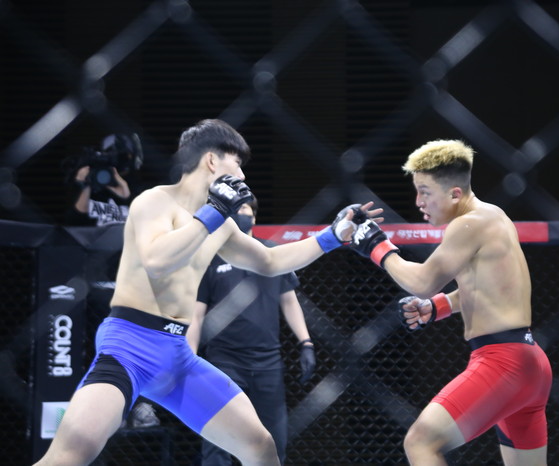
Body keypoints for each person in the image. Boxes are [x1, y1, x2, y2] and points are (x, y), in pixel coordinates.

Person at [34, 118, 381, 466]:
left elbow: (270, 261)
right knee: (70, 455)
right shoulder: (155, 201)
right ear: (212, 160)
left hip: (177, 355)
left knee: (260, 446)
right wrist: (213, 212)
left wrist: (331, 237)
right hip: (129, 347)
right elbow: (157, 261)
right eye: (237, 163)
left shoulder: (222, 225)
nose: (241, 175)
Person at [347, 139, 552, 465]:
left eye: (425, 192)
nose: (418, 202)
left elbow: (422, 282)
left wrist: (377, 247)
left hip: (503, 363)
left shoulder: (467, 224)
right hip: (529, 362)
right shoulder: (494, 215)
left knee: (420, 442)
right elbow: (489, 288)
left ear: (455, 194)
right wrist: (437, 307)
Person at [188, 195, 316, 465]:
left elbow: (289, 300)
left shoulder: (272, 253)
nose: (240, 214)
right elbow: (196, 314)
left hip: (268, 362)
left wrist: (306, 342)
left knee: (274, 438)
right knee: (217, 441)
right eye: (235, 209)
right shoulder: (212, 257)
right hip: (224, 361)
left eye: (244, 208)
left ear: (254, 217)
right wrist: (188, 357)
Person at [64, 133, 143, 226]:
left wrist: (127, 197)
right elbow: (73, 222)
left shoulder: (133, 190)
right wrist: (85, 186)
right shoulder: (85, 185)